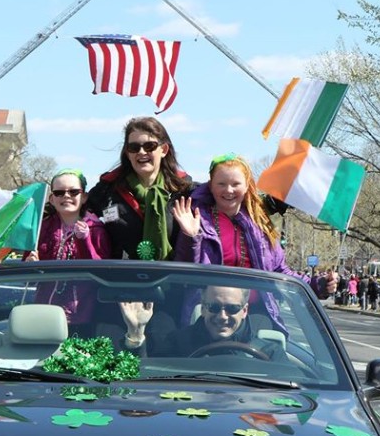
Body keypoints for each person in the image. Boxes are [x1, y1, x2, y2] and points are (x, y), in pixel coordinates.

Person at [171, 153, 335, 329]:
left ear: (247, 186)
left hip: (257, 316)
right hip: (209, 316)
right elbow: (186, 272)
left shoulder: (260, 223)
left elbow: (279, 270)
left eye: (236, 184)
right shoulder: (196, 219)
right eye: (221, 184)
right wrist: (191, 237)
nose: (229, 190)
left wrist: (316, 285)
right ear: (211, 186)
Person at [87, 116, 192, 261]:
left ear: (164, 150)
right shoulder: (107, 190)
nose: (141, 152)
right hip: (122, 279)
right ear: (127, 153)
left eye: (149, 146)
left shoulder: (185, 190)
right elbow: (74, 209)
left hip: (172, 279)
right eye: (134, 147)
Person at [24, 169, 111, 334]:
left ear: (84, 197)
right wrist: (29, 266)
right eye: (59, 193)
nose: (66, 196)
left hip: (82, 316)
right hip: (44, 312)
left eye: (73, 191)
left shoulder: (96, 229)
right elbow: (28, 278)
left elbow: (100, 271)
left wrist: (84, 240)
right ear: (52, 199)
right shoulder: (41, 228)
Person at [119, 285, 284, 361]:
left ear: (245, 310)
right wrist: (136, 332)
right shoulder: (177, 342)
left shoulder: (269, 353)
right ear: (203, 308)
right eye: (214, 307)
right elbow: (140, 379)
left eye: (233, 308)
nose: (222, 316)